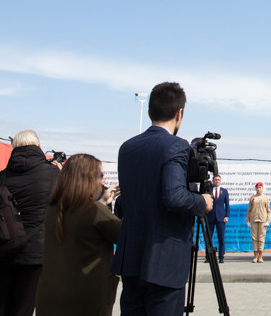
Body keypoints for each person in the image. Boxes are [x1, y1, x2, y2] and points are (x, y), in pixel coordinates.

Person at [111, 81, 212, 316]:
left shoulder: (127, 148)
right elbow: (174, 196)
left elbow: (123, 203)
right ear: (180, 114)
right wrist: (202, 202)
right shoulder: (177, 146)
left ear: (149, 112)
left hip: (131, 257)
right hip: (164, 261)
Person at [35, 154, 120, 316]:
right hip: (85, 299)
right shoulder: (92, 210)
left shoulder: (54, 209)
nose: (102, 182)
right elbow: (123, 235)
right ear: (88, 179)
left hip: (51, 297)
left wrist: (101, 203)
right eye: (99, 176)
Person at [0, 129, 60, 316]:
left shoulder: (3, 175)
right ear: (38, 146)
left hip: (4, 245)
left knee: (0, 306)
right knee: (24, 306)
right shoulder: (51, 173)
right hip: (34, 249)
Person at [205, 174, 230, 263]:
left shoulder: (224, 191)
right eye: (215, 179)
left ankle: (221, 257)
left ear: (220, 181)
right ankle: (208, 257)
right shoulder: (209, 190)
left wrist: (226, 216)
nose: (217, 181)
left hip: (221, 218)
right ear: (213, 181)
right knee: (208, 238)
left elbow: (227, 205)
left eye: (218, 180)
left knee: (221, 238)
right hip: (210, 217)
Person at [246, 183, 271, 263]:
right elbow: (249, 210)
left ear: (262, 188)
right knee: (254, 238)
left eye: (260, 188)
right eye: (257, 188)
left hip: (262, 220)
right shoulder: (252, 198)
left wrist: (268, 221)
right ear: (255, 189)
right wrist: (247, 220)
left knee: (261, 238)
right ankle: (255, 256)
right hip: (253, 219)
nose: (259, 189)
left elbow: (268, 210)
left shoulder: (265, 198)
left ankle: (260, 257)